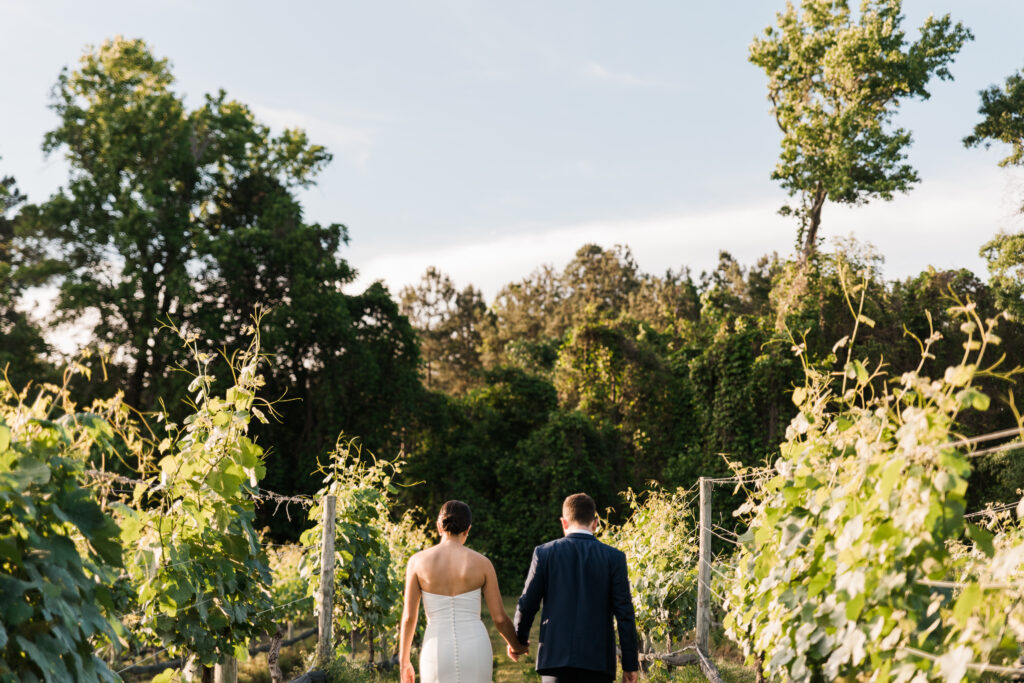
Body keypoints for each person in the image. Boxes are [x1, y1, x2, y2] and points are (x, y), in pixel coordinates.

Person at [512, 493, 640, 683]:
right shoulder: (614, 558)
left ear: (564, 523)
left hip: (555, 659)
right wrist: (630, 665)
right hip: (598, 663)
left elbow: (528, 603)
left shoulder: (544, 553)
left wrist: (519, 641)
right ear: (595, 523)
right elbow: (625, 614)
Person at [399, 500, 527, 683]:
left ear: (439, 526)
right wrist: (517, 645)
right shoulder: (483, 563)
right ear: (468, 529)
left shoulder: (417, 562)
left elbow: (409, 618)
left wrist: (404, 662)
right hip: (475, 648)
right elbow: (499, 618)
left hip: (435, 648)